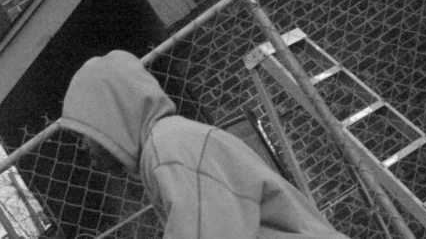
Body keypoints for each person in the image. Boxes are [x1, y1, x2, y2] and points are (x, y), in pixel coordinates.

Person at [59, 50, 349, 239]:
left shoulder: (169, 150)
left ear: (111, 115)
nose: (83, 145)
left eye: (86, 130)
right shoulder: (171, 143)